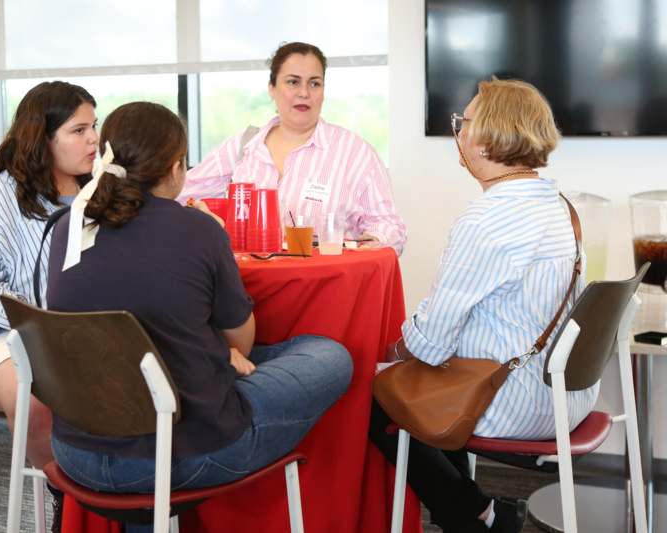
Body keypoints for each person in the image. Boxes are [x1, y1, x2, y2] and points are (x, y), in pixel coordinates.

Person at [46, 102, 353, 532]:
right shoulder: (198, 229)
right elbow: (242, 343)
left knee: (192, 366)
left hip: (75, 450)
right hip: (180, 454)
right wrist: (221, 348)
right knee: (328, 355)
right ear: (175, 167)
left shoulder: (68, 226)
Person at [369, 79, 592, 533]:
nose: (459, 132)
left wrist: (389, 354)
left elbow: (430, 343)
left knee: (375, 397)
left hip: (515, 399)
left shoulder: (485, 219)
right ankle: (479, 514)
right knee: (430, 387)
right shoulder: (560, 205)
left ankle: (476, 518)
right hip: (569, 393)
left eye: (464, 121)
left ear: (488, 135)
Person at [0, 81, 98, 529]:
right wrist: (38, 327)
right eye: (79, 130)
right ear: (43, 137)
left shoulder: (102, 191)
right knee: (34, 396)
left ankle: (107, 497)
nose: (94, 139)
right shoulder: (0, 193)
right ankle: (67, 501)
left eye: (95, 126)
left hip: (77, 333)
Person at [179, 41, 407, 255]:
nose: (304, 93)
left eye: (314, 83)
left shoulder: (355, 152)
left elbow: (390, 227)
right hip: (249, 290)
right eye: (293, 82)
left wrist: (373, 243)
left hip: (324, 288)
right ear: (272, 88)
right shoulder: (243, 145)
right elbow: (179, 193)